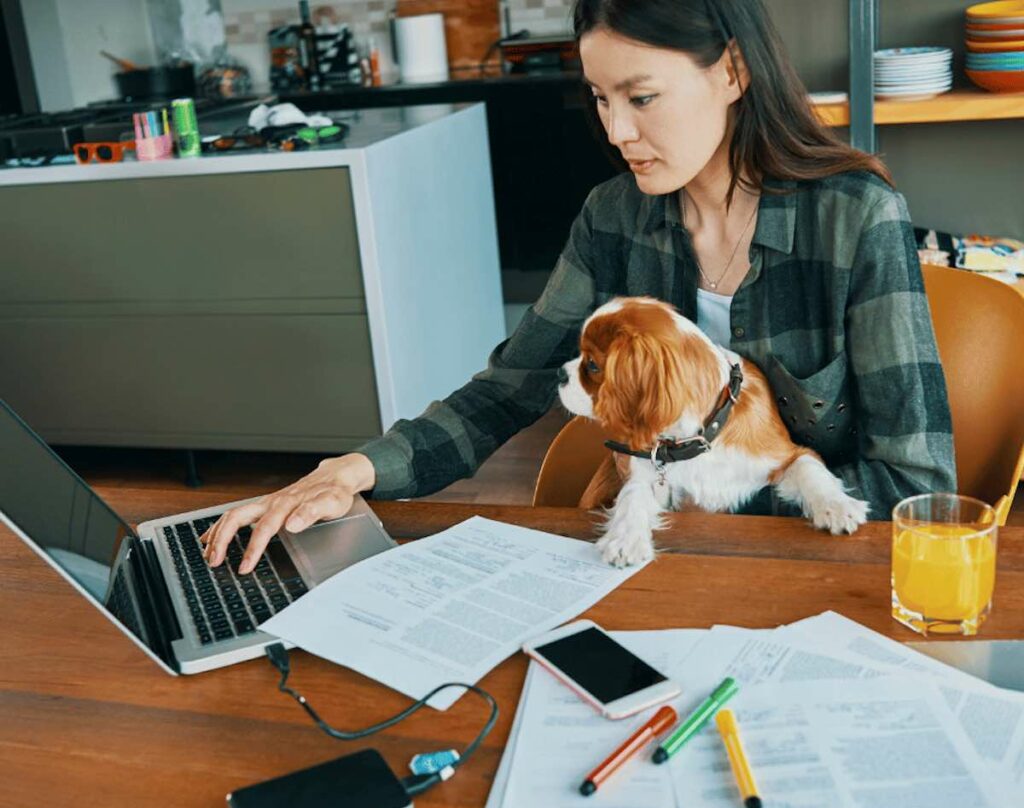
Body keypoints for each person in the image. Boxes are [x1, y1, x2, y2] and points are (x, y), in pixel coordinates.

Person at [203, 0, 956, 574]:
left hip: (803, 571)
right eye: (600, 98)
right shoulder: (612, 218)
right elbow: (511, 388)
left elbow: (914, 480)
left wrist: (684, 498)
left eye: (642, 97)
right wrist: (355, 471)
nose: (616, 132)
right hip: (643, 562)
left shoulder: (856, 217)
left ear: (731, 72)